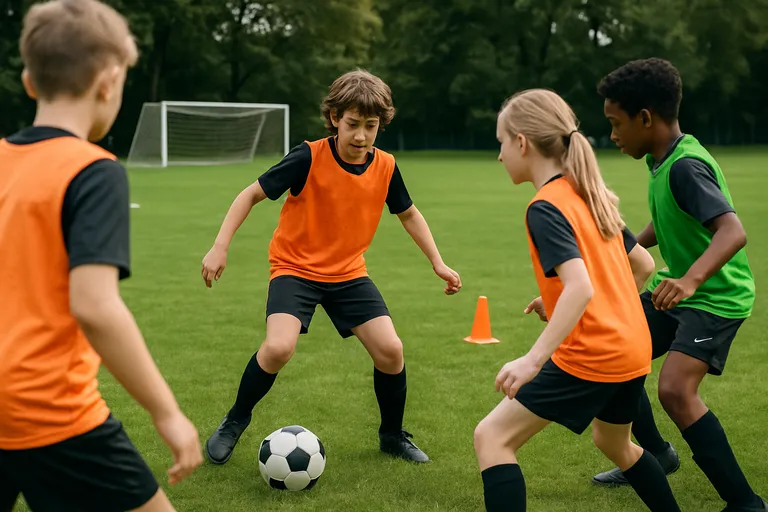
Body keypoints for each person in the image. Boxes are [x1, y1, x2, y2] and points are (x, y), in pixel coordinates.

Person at [0, 1, 203, 511]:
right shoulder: (93, 170)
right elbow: (94, 304)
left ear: (29, 81)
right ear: (109, 82)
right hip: (48, 411)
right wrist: (166, 412)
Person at [201, 69, 462, 466]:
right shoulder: (308, 156)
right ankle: (234, 421)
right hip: (295, 268)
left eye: (370, 126)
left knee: (391, 350)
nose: (360, 136)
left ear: (381, 125)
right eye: (353, 124)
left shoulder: (386, 166)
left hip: (349, 274)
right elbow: (250, 195)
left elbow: (409, 214)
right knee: (278, 347)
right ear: (335, 118)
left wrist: (438, 263)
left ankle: (392, 436)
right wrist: (220, 247)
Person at [474, 88, 681, 512]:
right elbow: (640, 264)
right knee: (615, 443)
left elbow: (582, 287)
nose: (499, 156)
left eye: (500, 143)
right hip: (633, 348)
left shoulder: (545, 206)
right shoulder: (589, 193)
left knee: (492, 438)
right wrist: (561, 297)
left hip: (595, 356)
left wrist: (532, 360)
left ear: (521, 142)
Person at [593, 57, 766, 511]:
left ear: (645, 118)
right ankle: (657, 455)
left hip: (717, 298)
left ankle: (746, 503)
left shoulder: (686, 166)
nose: (612, 135)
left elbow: (733, 231)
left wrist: (690, 279)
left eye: (616, 123)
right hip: (682, 291)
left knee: (674, 390)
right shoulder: (663, 160)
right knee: (614, 350)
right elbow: (669, 220)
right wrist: (626, 247)